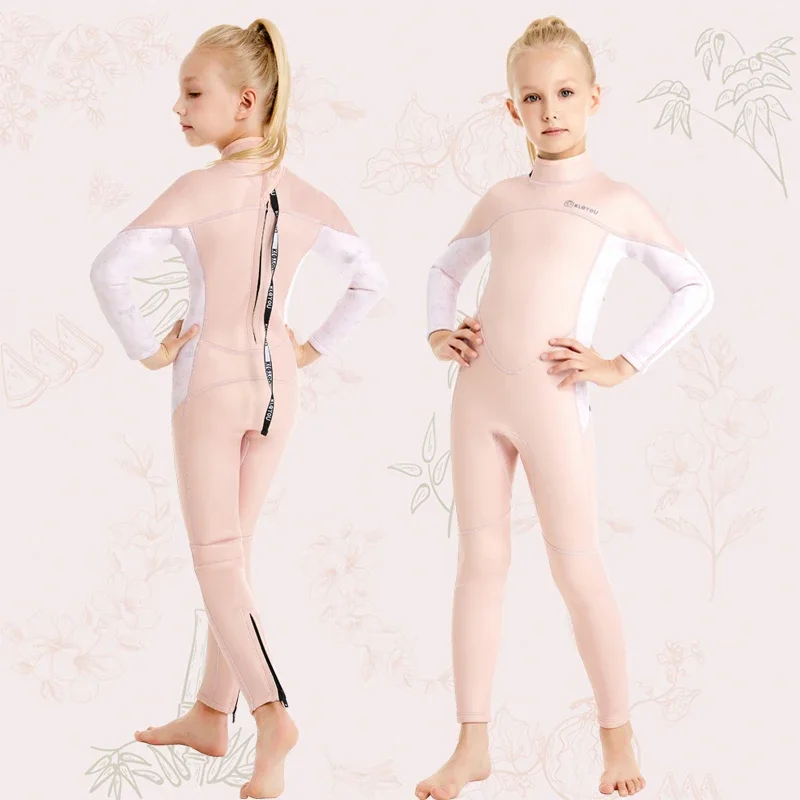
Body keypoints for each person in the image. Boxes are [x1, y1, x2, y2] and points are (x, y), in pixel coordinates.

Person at [89, 18, 387, 799]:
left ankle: (270, 710)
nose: (178, 107)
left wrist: (149, 348)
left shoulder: (197, 190)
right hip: (280, 390)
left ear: (246, 101)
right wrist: (311, 349)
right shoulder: (309, 196)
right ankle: (211, 714)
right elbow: (370, 281)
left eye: (193, 93)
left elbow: (109, 268)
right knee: (237, 557)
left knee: (216, 559)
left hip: (210, 386)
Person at [416, 16, 713, 800]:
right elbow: (444, 272)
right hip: (478, 397)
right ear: (511, 108)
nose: (550, 109)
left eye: (566, 93)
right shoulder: (502, 198)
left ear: (594, 98)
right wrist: (440, 332)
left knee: (576, 567)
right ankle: (470, 744)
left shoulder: (616, 202)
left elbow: (694, 288)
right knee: (479, 565)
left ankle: (617, 739)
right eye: (532, 97)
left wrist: (620, 364)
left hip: (554, 402)